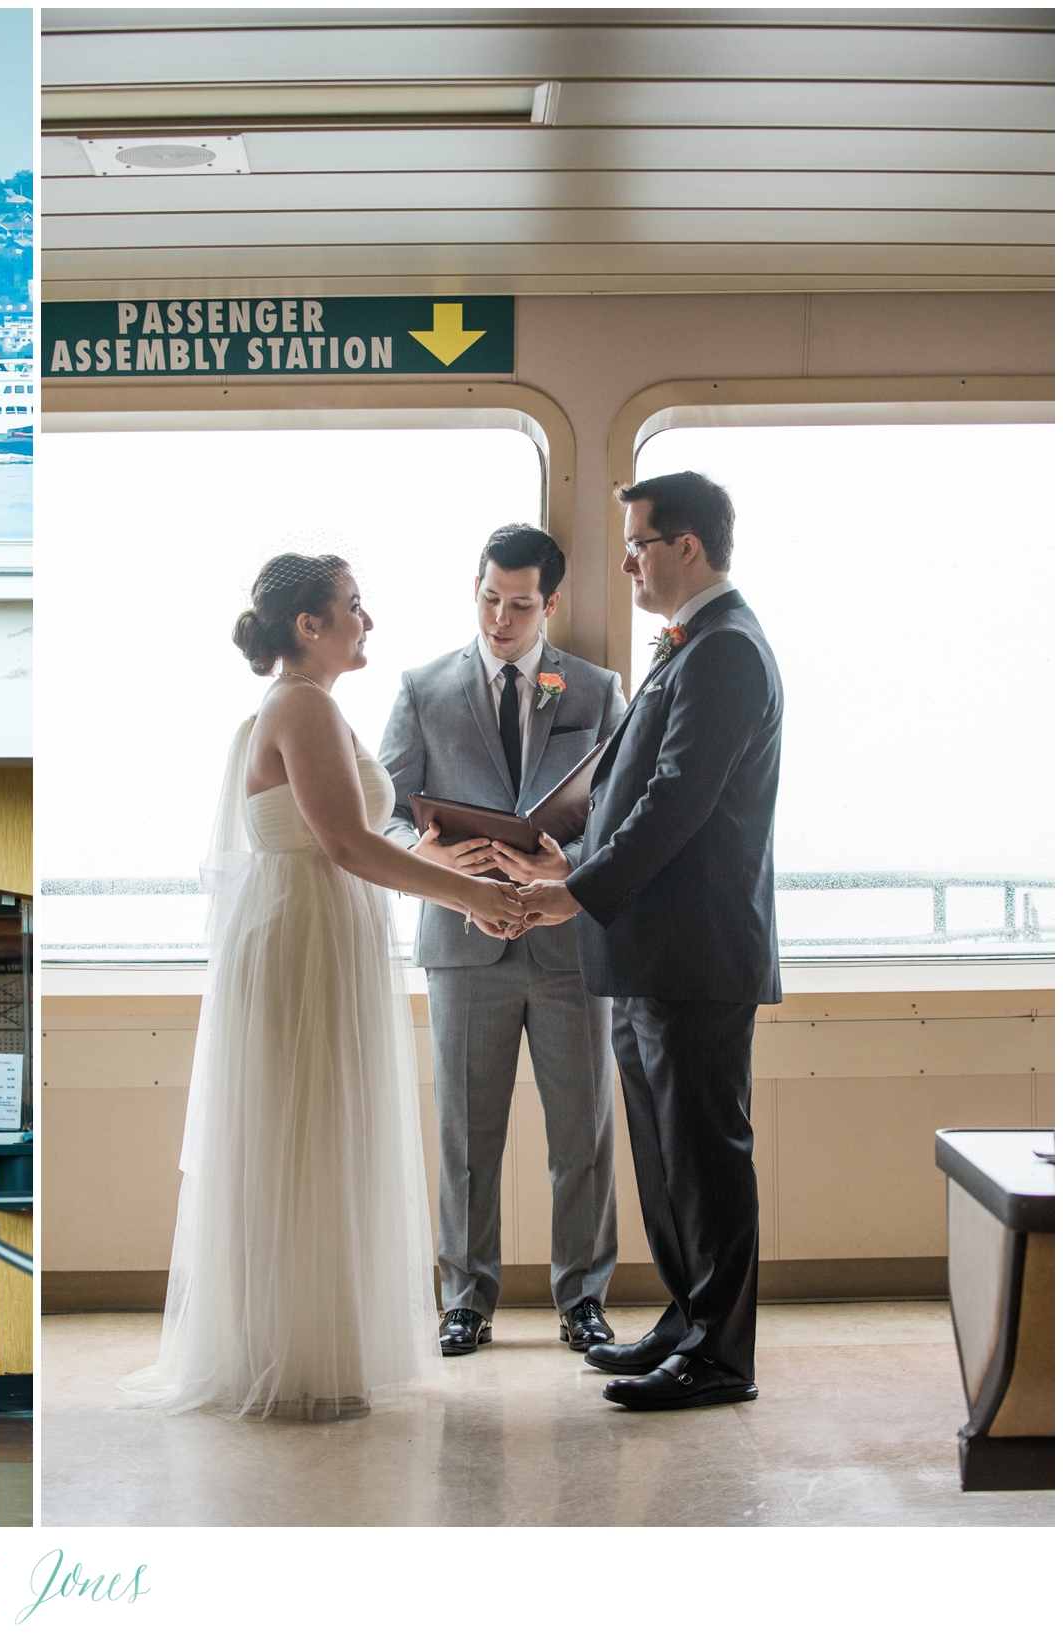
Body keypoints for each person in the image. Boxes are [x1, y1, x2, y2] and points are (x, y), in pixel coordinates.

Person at [124, 552, 530, 1421]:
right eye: (352, 605)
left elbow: (344, 834)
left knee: (319, 1128)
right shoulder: (301, 705)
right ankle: (293, 1353)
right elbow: (344, 842)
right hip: (304, 934)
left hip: (319, 925)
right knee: (306, 1126)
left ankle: (312, 1342)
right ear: (309, 626)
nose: (366, 621)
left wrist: (436, 860)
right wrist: (473, 896)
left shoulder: (308, 706)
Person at [519, 471, 782, 1411]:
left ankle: (722, 1354)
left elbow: (678, 802)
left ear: (689, 548)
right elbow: (631, 795)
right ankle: (687, 1319)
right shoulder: (689, 647)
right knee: (665, 1152)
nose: (626, 557)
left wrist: (576, 895)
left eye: (639, 541)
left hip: (696, 950)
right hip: (651, 948)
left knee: (707, 1154)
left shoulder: (725, 651)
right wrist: (563, 863)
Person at [377, 524, 625, 1359]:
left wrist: (574, 865)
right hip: (462, 943)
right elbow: (380, 812)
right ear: (475, 588)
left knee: (581, 1134)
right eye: (489, 599)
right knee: (465, 1135)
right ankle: (464, 1300)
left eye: (520, 605)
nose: (500, 619)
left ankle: (583, 1300)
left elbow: (624, 822)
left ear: (549, 603)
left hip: (567, 948)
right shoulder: (421, 689)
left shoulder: (595, 689)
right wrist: (433, 854)